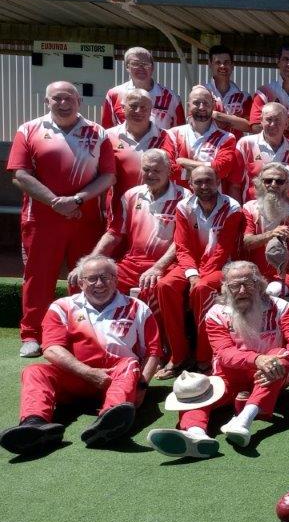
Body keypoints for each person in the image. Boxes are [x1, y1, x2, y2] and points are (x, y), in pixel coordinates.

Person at [0, 255, 160, 455]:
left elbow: (153, 352)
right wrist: (88, 373)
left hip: (116, 379)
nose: (99, 284)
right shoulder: (62, 306)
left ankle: (108, 421)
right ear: (81, 282)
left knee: (129, 363)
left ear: (116, 279)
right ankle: (34, 425)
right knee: (34, 371)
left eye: (105, 277)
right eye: (92, 278)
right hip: (75, 376)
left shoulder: (138, 307)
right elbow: (51, 349)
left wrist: (142, 386)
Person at [147, 261, 289, 454]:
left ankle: (244, 420)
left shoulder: (280, 307)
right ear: (225, 288)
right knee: (194, 391)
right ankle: (196, 434)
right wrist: (256, 359)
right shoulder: (216, 313)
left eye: (248, 284)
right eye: (234, 286)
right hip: (230, 376)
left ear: (259, 284)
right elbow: (224, 353)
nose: (241, 290)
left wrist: (283, 362)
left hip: (274, 373)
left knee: (274, 358)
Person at [8, 81, 115, 358]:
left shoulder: (98, 132)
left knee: (87, 277)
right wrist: (56, 203)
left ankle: (83, 333)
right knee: (38, 278)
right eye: (57, 98)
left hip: (85, 218)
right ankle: (32, 334)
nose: (63, 102)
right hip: (41, 220)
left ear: (79, 100)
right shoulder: (29, 129)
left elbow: (108, 176)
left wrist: (76, 200)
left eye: (69, 97)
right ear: (47, 102)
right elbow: (20, 174)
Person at [86, 150, 185, 377]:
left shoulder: (184, 197)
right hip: (132, 261)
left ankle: (158, 352)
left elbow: (181, 241)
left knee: (154, 287)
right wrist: (90, 261)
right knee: (89, 281)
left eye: (156, 170)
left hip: (167, 263)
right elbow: (114, 233)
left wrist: (158, 266)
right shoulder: (131, 195)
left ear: (169, 170)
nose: (150, 174)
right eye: (146, 169)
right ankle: (99, 345)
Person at [156, 166, 244, 376]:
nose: (204, 186)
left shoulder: (232, 207)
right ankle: (178, 356)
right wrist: (192, 273)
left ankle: (203, 357)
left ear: (217, 182)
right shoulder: (184, 206)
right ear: (191, 184)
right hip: (191, 265)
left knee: (202, 289)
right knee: (165, 285)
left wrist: (198, 276)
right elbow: (182, 246)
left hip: (222, 266)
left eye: (208, 181)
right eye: (198, 182)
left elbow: (223, 249)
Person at [241, 163, 289, 292]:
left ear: (287, 185)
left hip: (283, 273)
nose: (273, 184)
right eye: (268, 180)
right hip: (253, 272)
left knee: (274, 290)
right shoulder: (249, 208)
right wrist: (272, 234)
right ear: (260, 183)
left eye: (280, 181)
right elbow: (247, 243)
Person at [106, 89, 167, 214]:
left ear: (151, 110)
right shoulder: (107, 136)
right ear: (123, 107)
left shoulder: (166, 137)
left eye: (144, 107)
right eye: (133, 106)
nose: (138, 111)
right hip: (119, 210)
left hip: (155, 211)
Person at [163, 85, 237, 189]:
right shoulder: (173, 134)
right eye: (196, 103)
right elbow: (167, 168)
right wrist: (208, 172)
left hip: (211, 201)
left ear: (213, 105)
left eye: (206, 103)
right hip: (178, 200)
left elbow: (222, 169)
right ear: (189, 106)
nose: (201, 107)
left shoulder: (227, 138)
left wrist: (184, 162)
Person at [233, 101, 289, 201]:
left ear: (286, 124)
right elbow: (235, 185)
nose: (272, 124)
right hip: (253, 212)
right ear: (261, 121)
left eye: (278, 120)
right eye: (269, 119)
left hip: (285, 212)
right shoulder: (246, 144)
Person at [102, 46, 184, 131]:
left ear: (152, 68)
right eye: (135, 64)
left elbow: (180, 133)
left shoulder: (171, 98)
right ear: (127, 67)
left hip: (160, 144)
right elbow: (107, 131)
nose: (141, 68)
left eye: (146, 64)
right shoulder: (114, 94)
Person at [205, 45, 252, 138]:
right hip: (207, 149)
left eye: (226, 62)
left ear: (232, 65)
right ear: (210, 64)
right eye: (218, 62)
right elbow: (194, 122)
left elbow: (250, 126)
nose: (222, 66)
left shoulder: (244, 97)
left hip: (235, 149)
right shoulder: (201, 92)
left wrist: (217, 116)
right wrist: (235, 121)